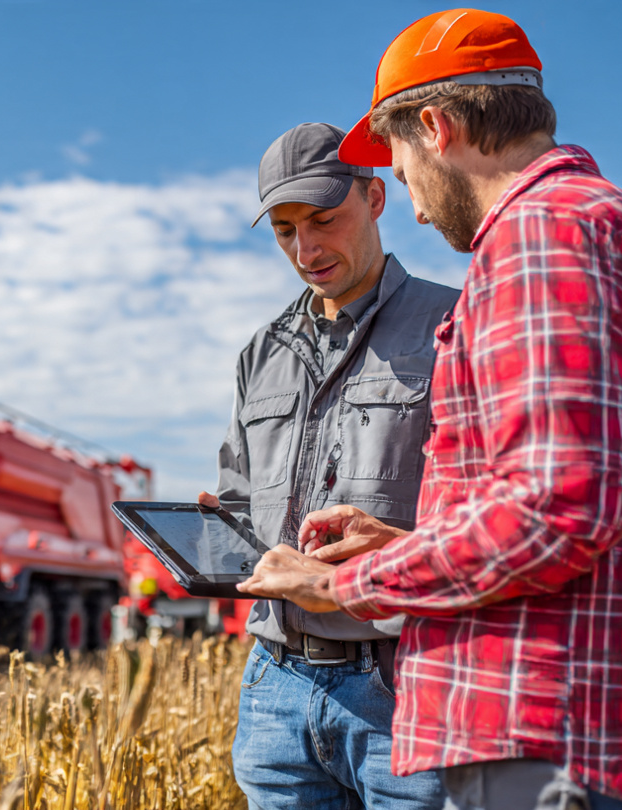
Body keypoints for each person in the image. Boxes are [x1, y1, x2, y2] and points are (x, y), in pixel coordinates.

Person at [235, 10, 622, 810]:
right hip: (596, 725)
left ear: (436, 129)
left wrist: (348, 583)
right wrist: (411, 541)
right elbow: (581, 506)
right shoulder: (597, 226)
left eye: (401, 174)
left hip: (559, 732)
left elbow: (553, 508)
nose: (415, 206)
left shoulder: (543, 237)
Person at [204, 121, 458, 808]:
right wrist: (209, 544)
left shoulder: (456, 324)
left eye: (323, 219)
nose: (306, 248)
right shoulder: (260, 353)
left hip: (404, 687)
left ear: (376, 197)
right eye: (285, 230)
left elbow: (483, 522)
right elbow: (235, 506)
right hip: (274, 691)